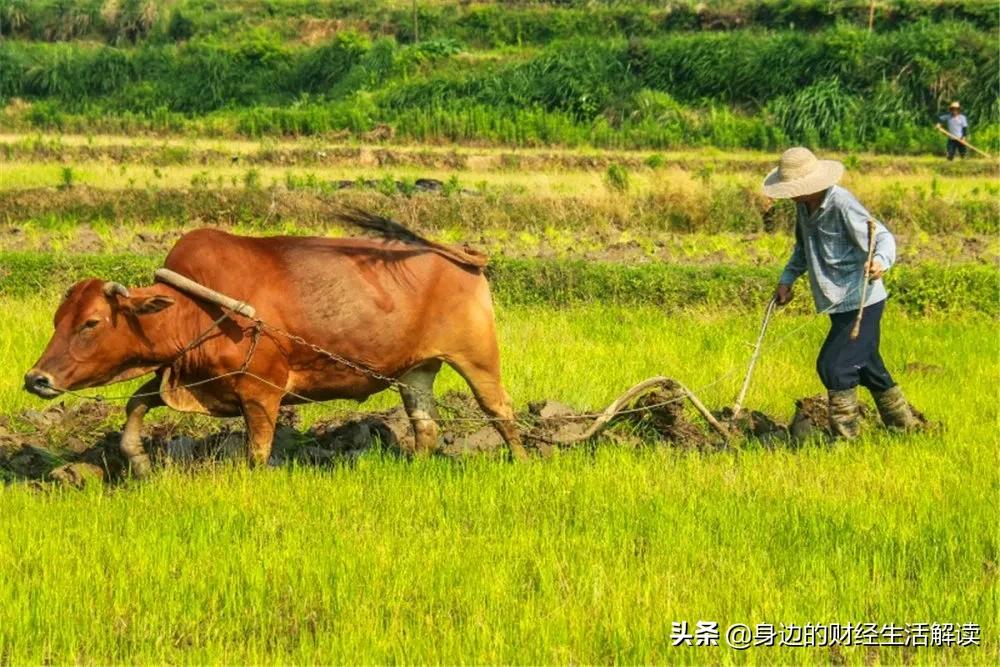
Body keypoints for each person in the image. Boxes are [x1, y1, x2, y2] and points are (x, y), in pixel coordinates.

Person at [763, 147, 922, 439]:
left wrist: (881, 261)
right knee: (869, 367)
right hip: (835, 303)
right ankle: (906, 430)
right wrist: (787, 280)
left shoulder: (841, 203)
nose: (791, 194)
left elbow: (883, 236)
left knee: (833, 366)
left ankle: (845, 441)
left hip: (861, 300)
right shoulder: (803, 207)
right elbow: (803, 249)